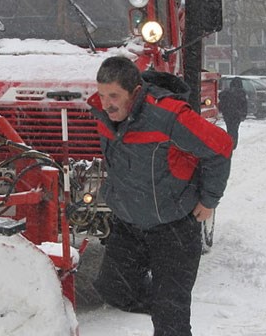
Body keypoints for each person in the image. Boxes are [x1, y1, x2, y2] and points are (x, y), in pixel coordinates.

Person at [88, 56, 233, 336]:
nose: (106, 103)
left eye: (114, 95)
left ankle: (170, 314)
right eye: (102, 94)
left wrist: (209, 200)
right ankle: (168, 306)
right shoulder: (104, 115)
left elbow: (221, 147)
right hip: (129, 226)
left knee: (171, 322)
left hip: (173, 229)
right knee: (114, 290)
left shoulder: (169, 116)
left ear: (135, 91)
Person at [218, 77, 248, 149]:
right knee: (235, 130)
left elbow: (221, 101)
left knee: (229, 129)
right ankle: (233, 144)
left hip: (228, 114)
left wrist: (223, 110)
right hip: (237, 115)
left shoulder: (226, 92)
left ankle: (229, 143)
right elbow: (244, 105)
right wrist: (243, 114)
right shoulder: (242, 93)